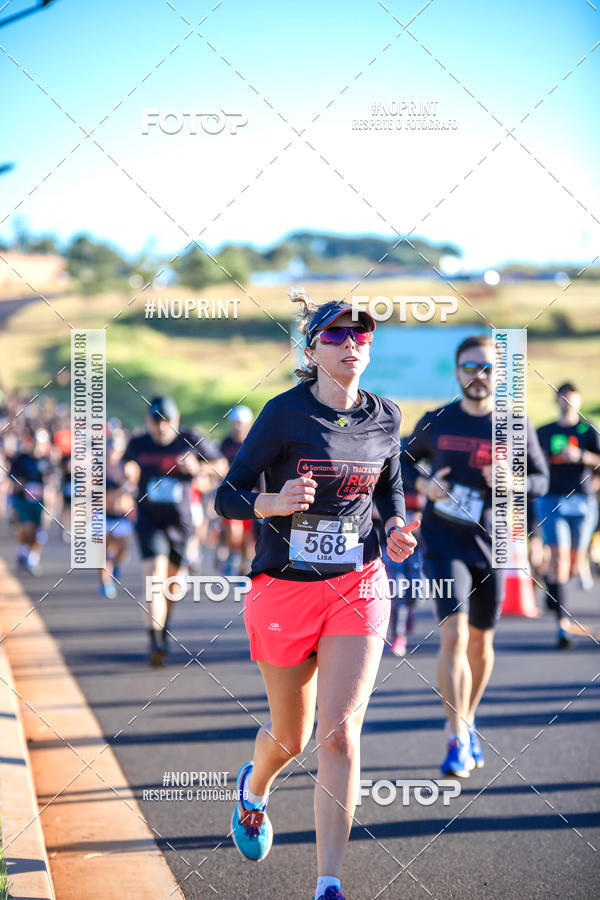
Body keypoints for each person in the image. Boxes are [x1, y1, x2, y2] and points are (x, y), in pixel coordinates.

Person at [215, 288, 418, 900]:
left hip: (357, 584)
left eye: (361, 335)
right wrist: (270, 503)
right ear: (313, 347)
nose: (351, 344)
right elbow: (229, 495)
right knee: (291, 737)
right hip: (283, 588)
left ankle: (328, 883)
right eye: (336, 335)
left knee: (339, 734)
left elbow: (391, 488)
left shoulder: (387, 415)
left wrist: (393, 527)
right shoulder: (282, 414)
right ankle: (255, 789)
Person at [401, 334, 549, 777]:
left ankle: (468, 718)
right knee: (455, 636)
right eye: (470, 367)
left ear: (498, 375)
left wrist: (511, 479)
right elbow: (402, 463)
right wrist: (425, 485)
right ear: (457, 371)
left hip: (495, 540)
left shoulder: (515, 425)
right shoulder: (437, 420)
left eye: (486, 368)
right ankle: (456, 735)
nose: (478, 376)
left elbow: (541, 482)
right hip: (443, 540)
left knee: (483, 642)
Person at [123, 396, 226, 666]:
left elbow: (222, 466)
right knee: (154, 576)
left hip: (181, 524)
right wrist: (127, 472)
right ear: (148, 421)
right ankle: (155, 640)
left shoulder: (190, 439)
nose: (161, 427)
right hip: (149, 520)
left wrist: (199, 468)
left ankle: (163, 628)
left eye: (166, 421)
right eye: (156, 421)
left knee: (173, 586)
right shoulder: (139, 443)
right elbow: (124, 465)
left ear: (176, 419)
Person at [536, 383, 600, 648]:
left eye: (572, 399)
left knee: (574, 563)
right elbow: (530, 461)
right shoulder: (545, 431)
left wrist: (581, 456)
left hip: (583, 501)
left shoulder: (588, 430)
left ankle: (552, 589)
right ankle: (562, 627)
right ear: (557, 400)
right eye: (563, 398)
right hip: (552, 499)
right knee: (560, 559)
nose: (568, 403)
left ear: (579, 400)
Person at [217, 405, 259, 575]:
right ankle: (232, 555)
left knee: (249, 538)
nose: (238, 426)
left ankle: (243, 566)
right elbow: (218, 466)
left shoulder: (256, 442)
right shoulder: (225, 444)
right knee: (235, 532)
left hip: (253, 495)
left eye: (241, 423)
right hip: (232, 494)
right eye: (235, 423)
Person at [8, 428, 51, 574]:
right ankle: (23, 550)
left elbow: (51, 483)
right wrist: (20, 484)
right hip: (24, 501)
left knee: (40, 533)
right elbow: (12, 479)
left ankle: (32, 559)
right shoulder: (21, 459)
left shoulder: (46, 461)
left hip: (40, 502)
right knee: (26, 529)